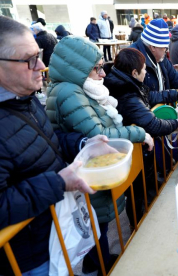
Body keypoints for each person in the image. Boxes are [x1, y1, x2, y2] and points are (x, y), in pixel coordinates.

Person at [0, 16, 103, 275]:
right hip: (29, 257)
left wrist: (84, 142)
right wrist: (58, 184)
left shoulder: (24, 97)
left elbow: (43, 142)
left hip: (55, 233)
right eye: (29, 60)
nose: (42, 66)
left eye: (40, 55)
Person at [46, 36, 153, 274]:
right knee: (95, 228)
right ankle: (100, 267)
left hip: (90, 170)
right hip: (86, 174)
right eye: (96, 69)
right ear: (78, 68)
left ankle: (100, 262)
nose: (102, 74)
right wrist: (139, 132)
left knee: (98, 227)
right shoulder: (70, 92)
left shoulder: (76, 88)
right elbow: (100, 134)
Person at [104, 48, 178, 229]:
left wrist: (176, 93)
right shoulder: (126, 94)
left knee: (143, 191)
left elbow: (149, 96)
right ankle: (141, 229)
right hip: (136, 153)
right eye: (143, 70)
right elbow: (153, 125)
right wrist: (177, 124)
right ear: (134, 72)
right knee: (139, 195)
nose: (145, 73)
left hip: (140, 151)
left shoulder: (126, 82)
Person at [130, 19, 178, 100]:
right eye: (165, 49)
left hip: (162, 110)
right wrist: (174, 95)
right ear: (153, 47)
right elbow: (142, 97)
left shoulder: (161, 58)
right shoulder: (132, 59)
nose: (167, 51)